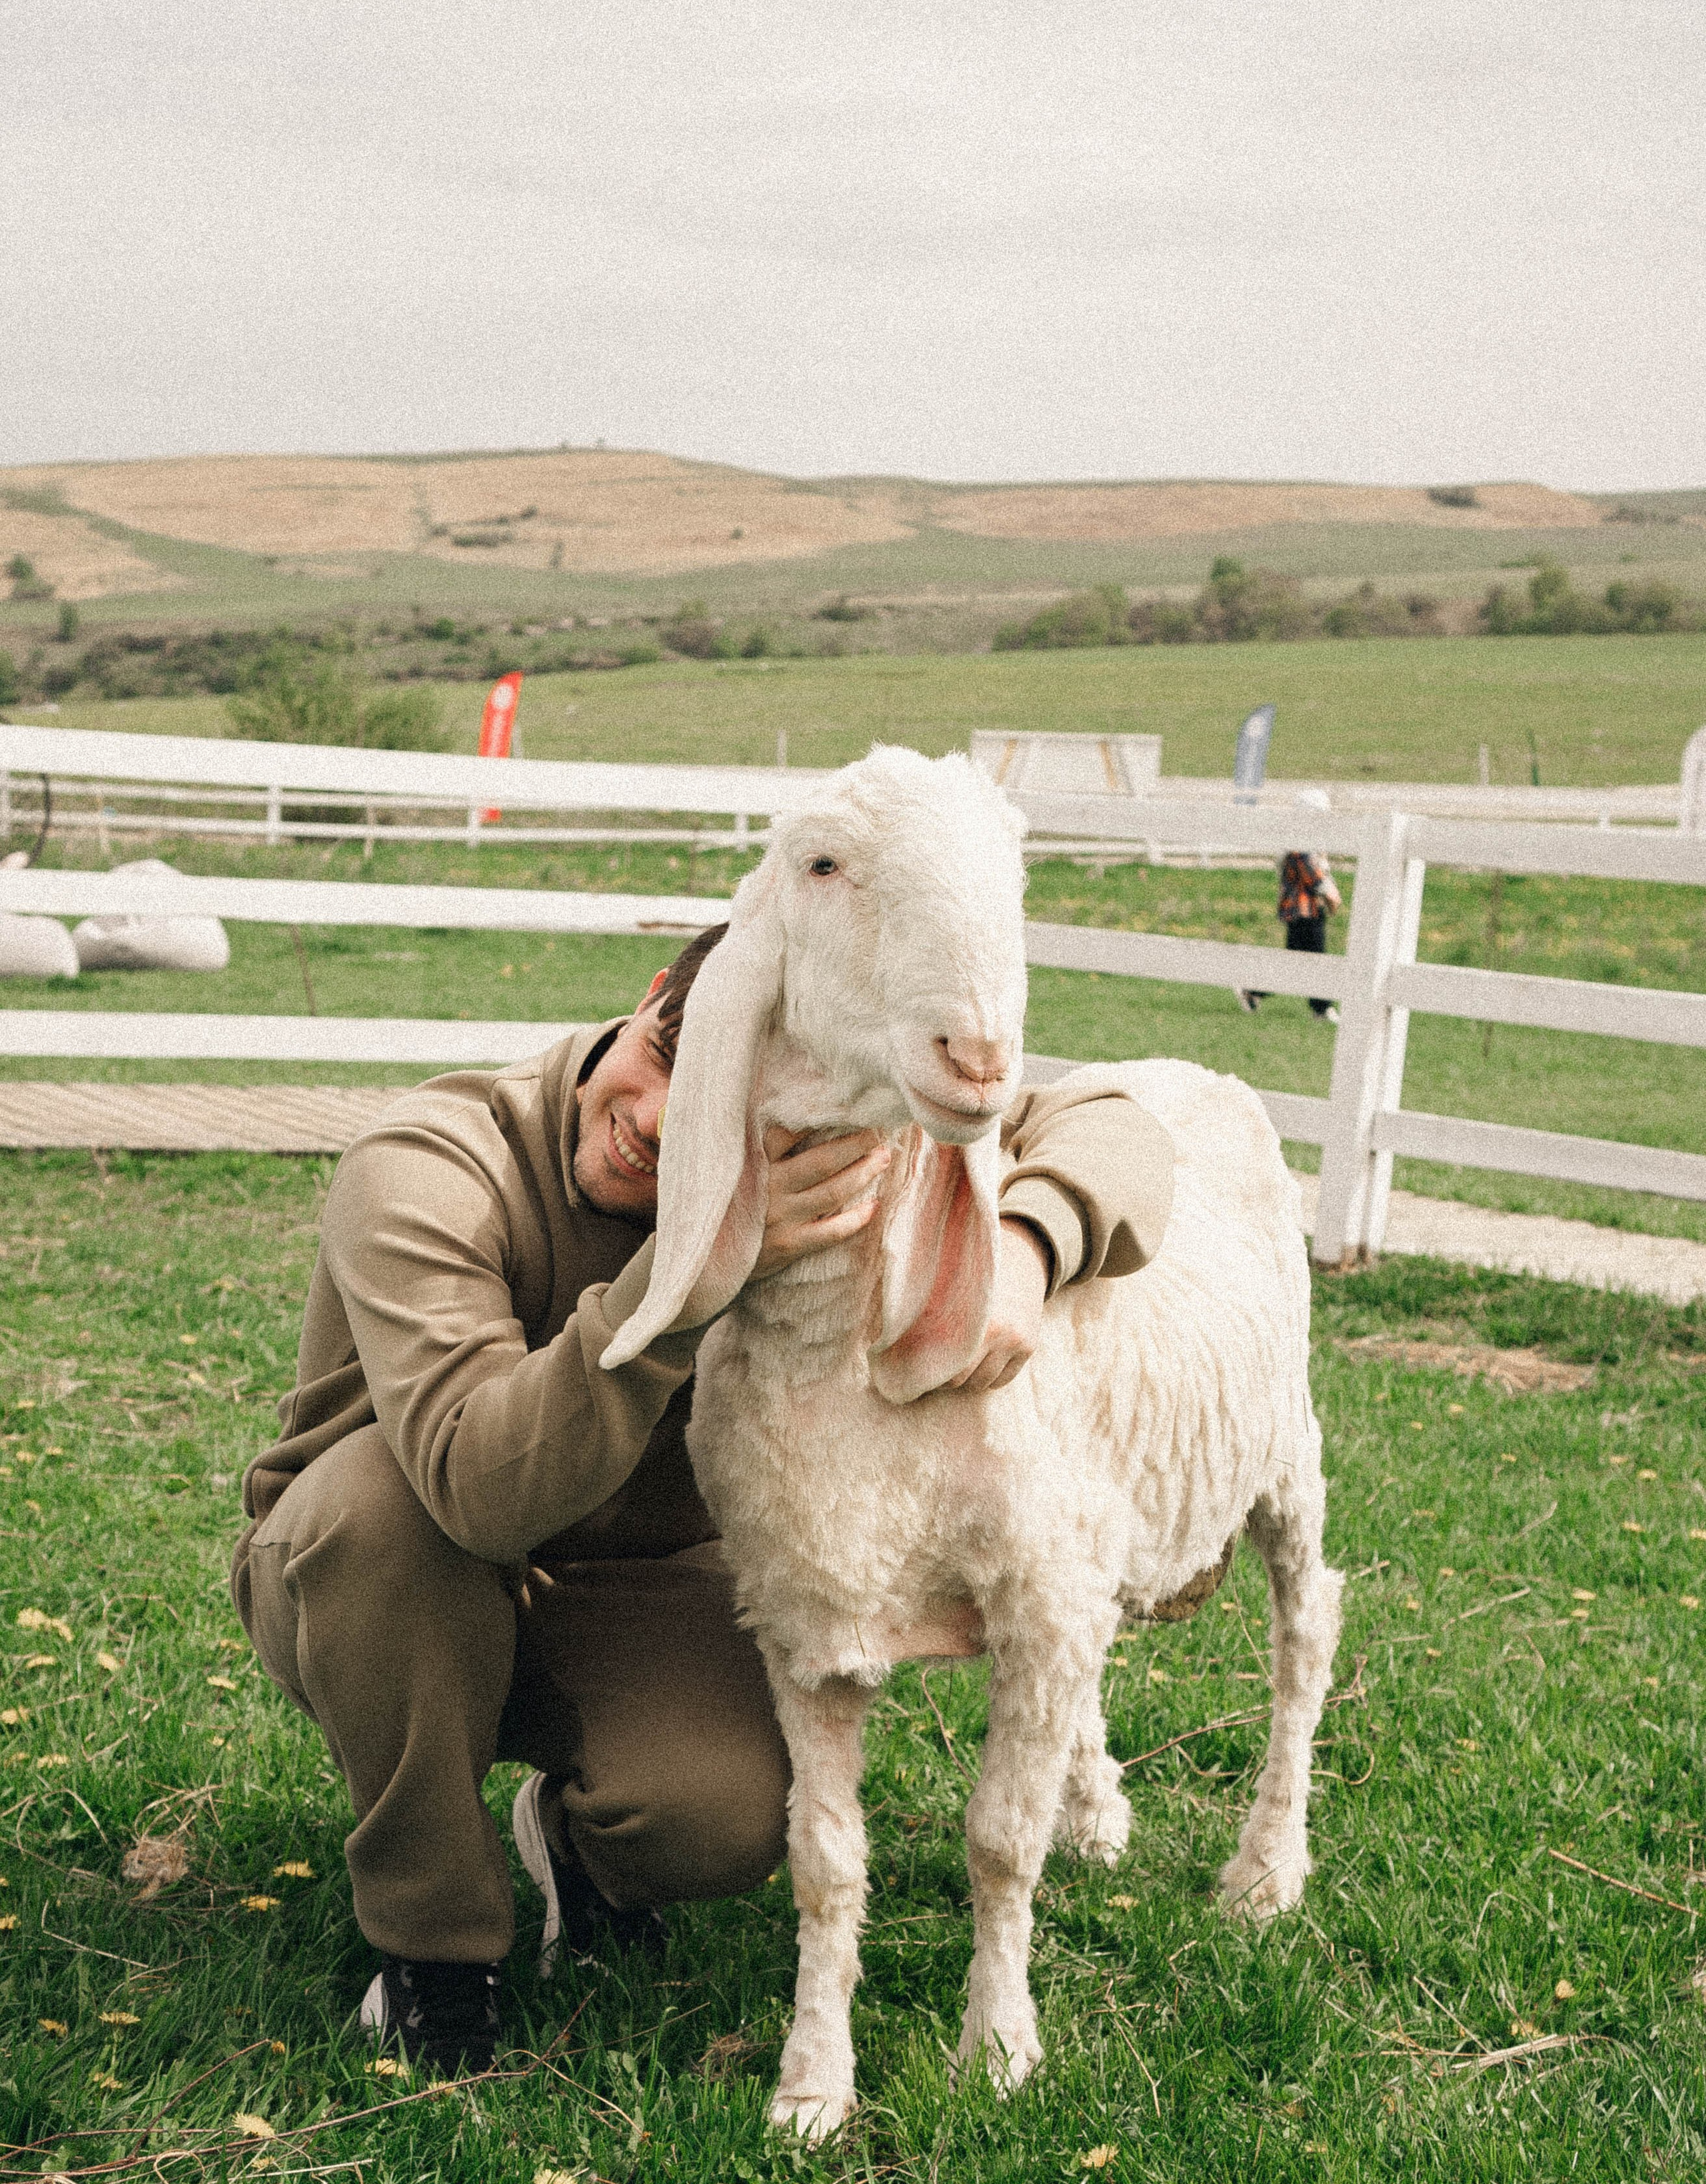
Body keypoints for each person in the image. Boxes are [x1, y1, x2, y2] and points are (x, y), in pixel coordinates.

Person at [231, 927, 1175, 2073]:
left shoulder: (819, 1131)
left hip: (640, 1575)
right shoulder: (428, 1165)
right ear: (649, 1001)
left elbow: (1118, 1125)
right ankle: (433, 1950)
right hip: (386, 1573)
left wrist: (1029, 1239)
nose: (669, 1119)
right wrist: (690, 1278)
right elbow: (477, 1489)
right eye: (671, 1055)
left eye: (734, 1114)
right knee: (381, 1507)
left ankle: (584, 1844)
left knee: (721, 1815)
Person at [1238, 794, 1342, 1021]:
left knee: (1294, 963)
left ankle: (1253, 992)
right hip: (1303, 911)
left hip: (1307, 911)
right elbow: (1312, 875)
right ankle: (1322, 1009)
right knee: (1317, 961)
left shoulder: (1305, 841)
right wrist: (1330, 893)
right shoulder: (1299, 845)